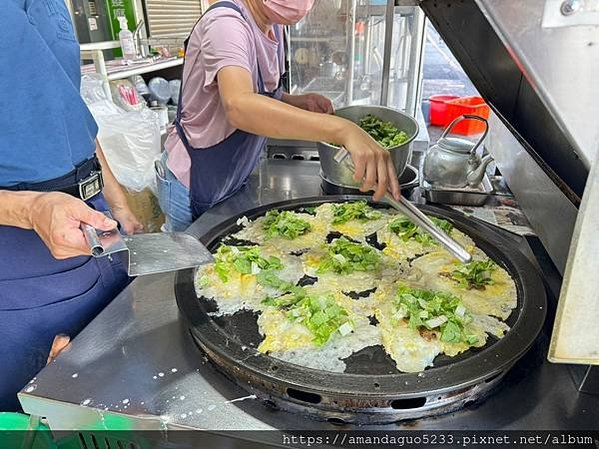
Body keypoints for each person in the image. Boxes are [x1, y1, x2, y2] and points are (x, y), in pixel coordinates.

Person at [0, 0, 143, 411]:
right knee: (47, 412)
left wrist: (116, 198)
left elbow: (68, 103)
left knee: (121, 382)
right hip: (20, 247)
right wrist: (28, 209)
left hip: (90, 217)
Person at [156, 0, 402, 231]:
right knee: (187, 271)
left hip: (230, 176)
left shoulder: (272, 25)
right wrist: (342, 129)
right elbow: (239, 105)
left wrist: (298, 102)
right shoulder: (226, 23)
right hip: (190, 182)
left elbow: (262, 93)